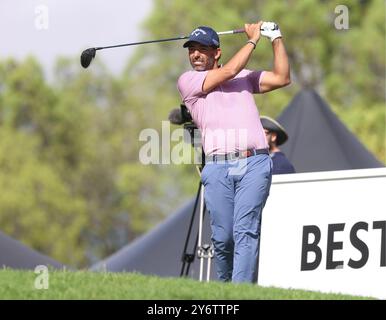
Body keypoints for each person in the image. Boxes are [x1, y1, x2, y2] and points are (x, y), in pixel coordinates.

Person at [177, 21, 290, 283]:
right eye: (191, 49)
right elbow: (229, 70)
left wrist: (275, 38)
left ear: (216, 51)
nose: (195, 54)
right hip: (217, 168)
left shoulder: (244, 78)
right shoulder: (188, 81)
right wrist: (252, 40)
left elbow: (283, 77)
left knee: (245, 231)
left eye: (201, 49)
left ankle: (241, 294)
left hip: (254, 163)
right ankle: (226, 290)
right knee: (223, 237)